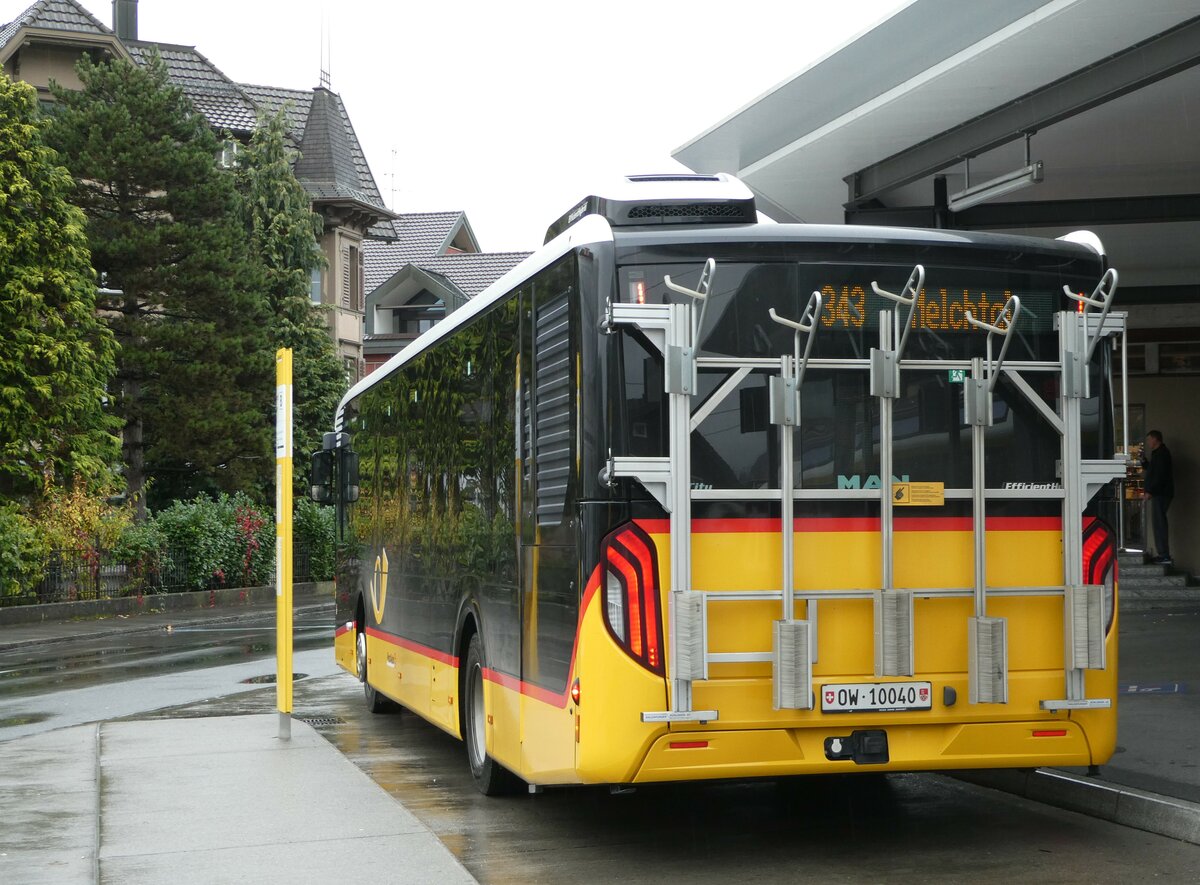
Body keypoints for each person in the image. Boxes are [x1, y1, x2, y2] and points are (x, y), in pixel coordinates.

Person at [1142, 430, 1174, 566]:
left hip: (1161, 494)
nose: (1148, 442)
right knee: (1158, 522)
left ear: (1155, 439)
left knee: (1159, 523)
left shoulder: (1161, 454)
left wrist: (1150, 491)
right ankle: (1163, 554)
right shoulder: (1158, 454)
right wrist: (1144, 462)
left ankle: (1164, 555)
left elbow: (1160, 476)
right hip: (1160, 493)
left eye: (1149, 440)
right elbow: (1153, 470)